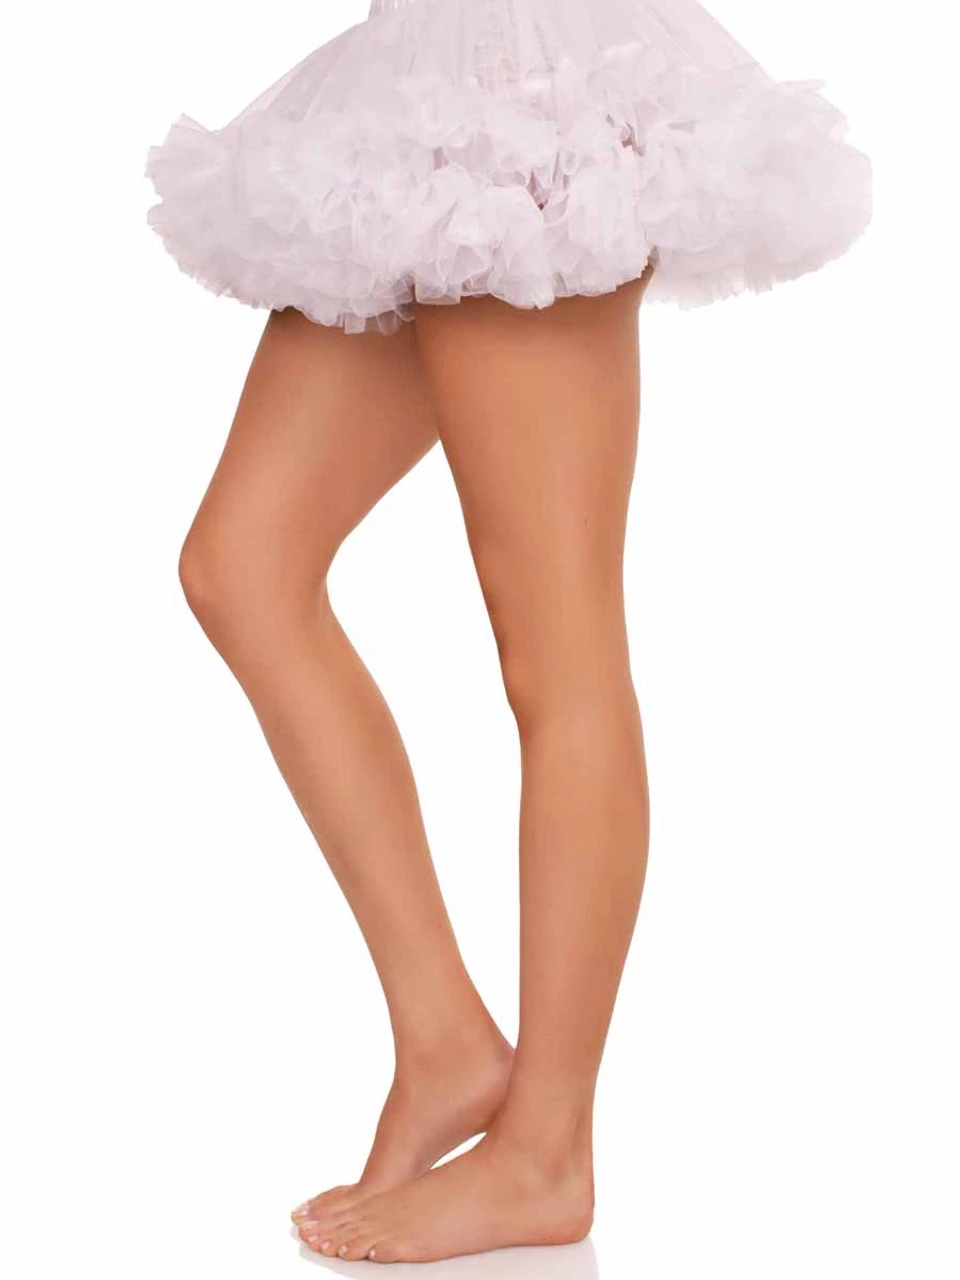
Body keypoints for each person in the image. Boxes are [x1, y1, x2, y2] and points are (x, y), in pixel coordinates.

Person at [146, 0, 871, 1263]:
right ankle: (444, 1039)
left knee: (555, 639)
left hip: (537, 93)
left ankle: (547, 1149)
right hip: (417, 90)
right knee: (242, 567)